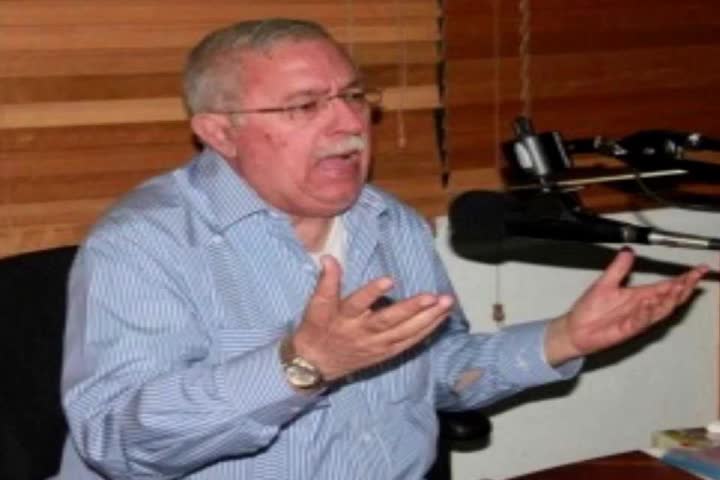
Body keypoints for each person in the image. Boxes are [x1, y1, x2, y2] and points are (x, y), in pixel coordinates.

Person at [57, 18, 708, 480]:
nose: (348, 123)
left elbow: (436, 370)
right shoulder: (144, 245)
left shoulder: (388, 221)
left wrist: (562, 338)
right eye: (305, 106)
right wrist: (302, 365)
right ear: (220, 133)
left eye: (353, 96)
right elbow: (118, 442)